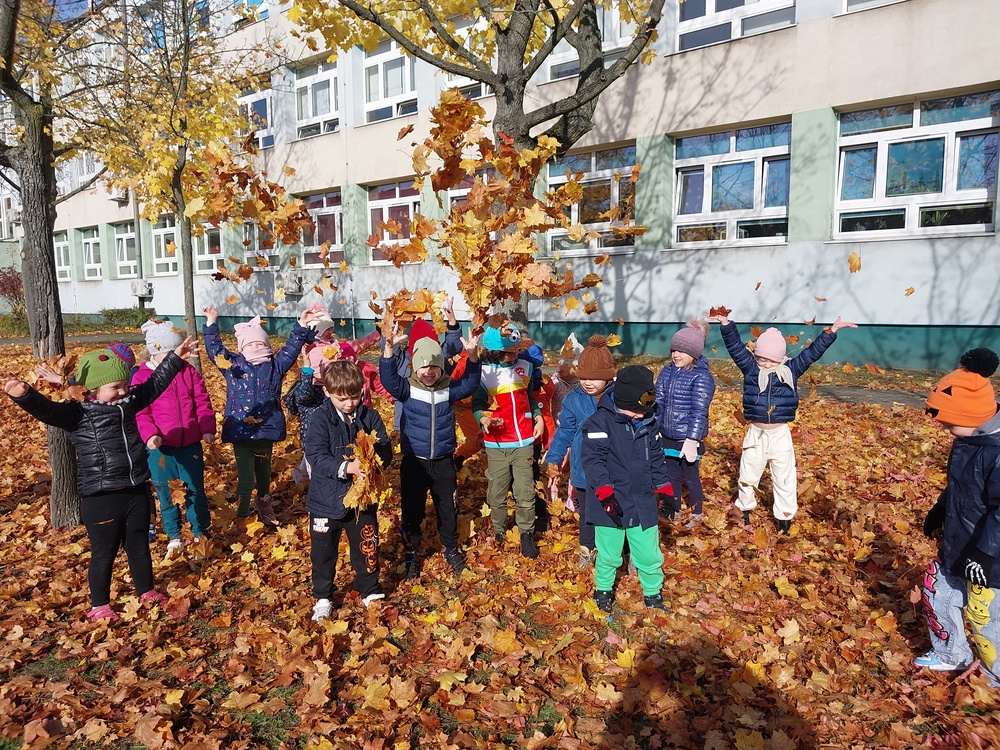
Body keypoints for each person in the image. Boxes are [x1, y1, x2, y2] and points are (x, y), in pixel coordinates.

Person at [3, 337, 198, 623]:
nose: (123, 392)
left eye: (125, 385)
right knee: (104, 552)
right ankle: (100, 605)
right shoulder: (77, 414)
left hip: (136, 488)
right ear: (93, 389)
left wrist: (175, 358)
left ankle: (146, 590)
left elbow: (155, 384)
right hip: (101, 495)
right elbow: (47, 410)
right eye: (115, 387)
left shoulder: (129, 403)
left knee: (138, 545)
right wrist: (23, 394)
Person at [712, 310, 857, 533]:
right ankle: (744, 510)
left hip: (780, 434)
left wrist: (832, 331)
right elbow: (735, 348)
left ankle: (784, 518)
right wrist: (726, 324)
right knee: (748, 472)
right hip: (756, 433)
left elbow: (811, 353)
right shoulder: (751, 368)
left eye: (770, 360)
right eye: (761, 359)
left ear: (781, 358)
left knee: (784, 477)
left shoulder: (790, 370)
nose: (765, 364)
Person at [917, 348, 1000, 681]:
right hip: (958, 542)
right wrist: (941, 508)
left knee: (986, 617)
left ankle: (995, 675)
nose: (945, 429)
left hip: (988, 558)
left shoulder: (996, 453)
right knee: (937, 589)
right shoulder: (969, 441)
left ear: (972, 417)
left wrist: (985, 554)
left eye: (950, 423)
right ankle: (950, 652)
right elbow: (961, 485)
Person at [379, 321, 482, 578]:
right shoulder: (408, 389)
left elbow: (470, 383)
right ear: (415, 365)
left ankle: (450, 548)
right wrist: (388, 352)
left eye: (434, 366)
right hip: (415, 461)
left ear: (441, 366)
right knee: (412, 508)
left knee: (447, 507)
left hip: (443, 460)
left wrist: (473, 357)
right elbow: (389, 380)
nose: (429, 371)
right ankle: (412, 551)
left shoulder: (448, 389)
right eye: (424, 366)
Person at [202, 306, 321, 525]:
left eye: (260, 344)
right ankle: (242, 514)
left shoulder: (275, 366)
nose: (256, 347)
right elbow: (215, 351)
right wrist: (211, 322)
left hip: (267, 429)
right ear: (241, 348)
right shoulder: (233, 366)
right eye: (250, 345)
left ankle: (264, 502)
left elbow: (291, 349)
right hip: (241, 432)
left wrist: (302, 324)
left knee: (264, 474)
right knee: (246, 478)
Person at [581, 365, 673, 614]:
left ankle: (653, 593)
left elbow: (656, 458)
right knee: (609, 553)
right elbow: (594, 462)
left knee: (648, 552)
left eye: (644, 411)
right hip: (609, 501)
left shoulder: (648, 422)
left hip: (642, 500)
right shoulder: (598, 423)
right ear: (621, 403)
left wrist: (664, 488)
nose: (639, 416)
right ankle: (603, 590)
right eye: (635, 410)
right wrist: (605, 493)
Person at [306, 360, 393, 621]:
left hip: (362, 500)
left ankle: (370, 590)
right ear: (327, 392)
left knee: (366, 546)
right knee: (323, 552)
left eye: (354, 397)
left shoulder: (370, 416)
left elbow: (385, 448)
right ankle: (323, 596)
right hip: (325, 499)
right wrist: (346, 467)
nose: (349, 404)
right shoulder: (320, 418)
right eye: (342, 398)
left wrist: (374, 463)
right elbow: (315, 455)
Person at [133, 320, 216, 559]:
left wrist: (206, 427)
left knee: (195, 490)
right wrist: (150, 434)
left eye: (177, 353)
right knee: (166, 493)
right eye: (169, 354)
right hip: (160, 448)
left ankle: (200, 532)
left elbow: (202, 401)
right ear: (154, 352)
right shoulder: (142, 377)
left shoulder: (188, 372)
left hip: (189, 443)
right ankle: (174, 536)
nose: (175, 358)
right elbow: (141, 411)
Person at [473, 318, 545, 559]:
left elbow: (529, 398)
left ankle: (526, 533)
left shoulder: (526, 367)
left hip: (523, 440)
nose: (513, 357)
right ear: (494, 353)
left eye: (515, 352)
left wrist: (538, 417)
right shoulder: (484, 374)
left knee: (525, 491)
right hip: (496, 443)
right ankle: (499, 531)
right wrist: (483, 420)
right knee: (497, 491)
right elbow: (477, 404)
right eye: (507, 353)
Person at [544, 334, 616, 568]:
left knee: (613, 511)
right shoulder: (574, 400)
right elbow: (565, 431)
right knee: (587, 513)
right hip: (583, 469)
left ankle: (617, 550)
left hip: (612, 469)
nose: (588, 383)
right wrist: (554, 457)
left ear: (608, 378)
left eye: (594, 379)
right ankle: (587, 549)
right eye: (583, 377)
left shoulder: (618, 400)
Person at [654, 320, 716, 527]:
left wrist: (692, 439)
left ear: (693, 353)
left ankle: (697, 512)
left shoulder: (701, 377)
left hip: (687, 438)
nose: (676, 354)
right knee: (671, 474)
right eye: (674, 350)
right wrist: (656, 428)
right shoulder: (667, 372)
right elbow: (658, 402)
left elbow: (699, 411)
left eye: (681, 351)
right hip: (668, 435)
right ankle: (674, 508)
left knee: (690, 476)